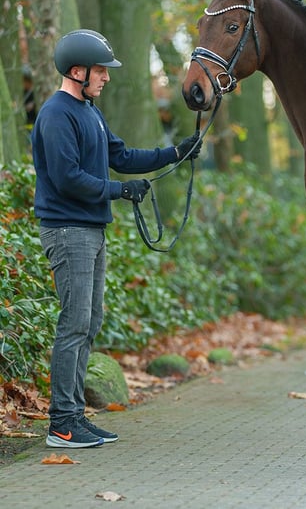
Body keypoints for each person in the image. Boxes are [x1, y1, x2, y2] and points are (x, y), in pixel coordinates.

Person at [31, 29, 201, 449]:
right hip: (68, 229)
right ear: (77, 71)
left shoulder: (90, 111)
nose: (106, 78)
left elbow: (121, 157)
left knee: (89, 322)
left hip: (90, 229)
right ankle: (62, 424)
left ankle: (73, 416)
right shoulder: (56, 115)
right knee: (74, 325)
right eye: (100, 71)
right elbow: (67, 179)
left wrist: (174, 153)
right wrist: (119, 191)